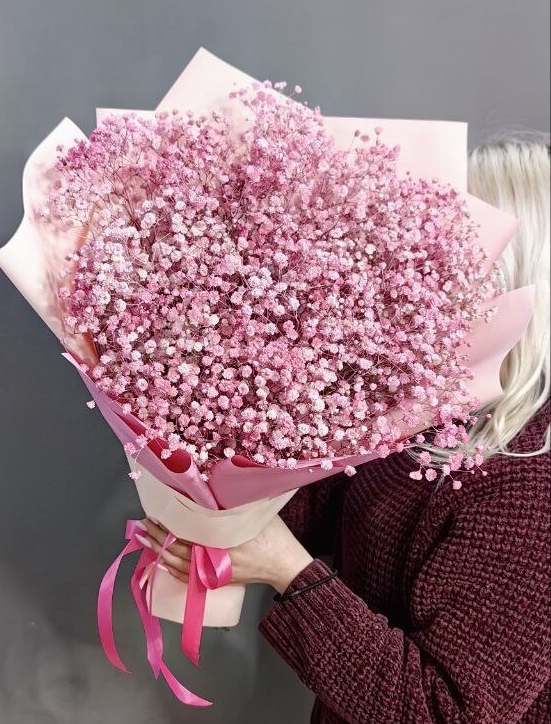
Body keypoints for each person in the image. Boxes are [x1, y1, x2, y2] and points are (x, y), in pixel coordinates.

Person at [141, 139, 550, 723]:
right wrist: (221, 439)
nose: (419, 258)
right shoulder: (431, 402)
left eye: (450, 241)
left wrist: (286, 570)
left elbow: (445, 713)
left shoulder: (533, 480)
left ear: (514, 269)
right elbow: (331, 508)